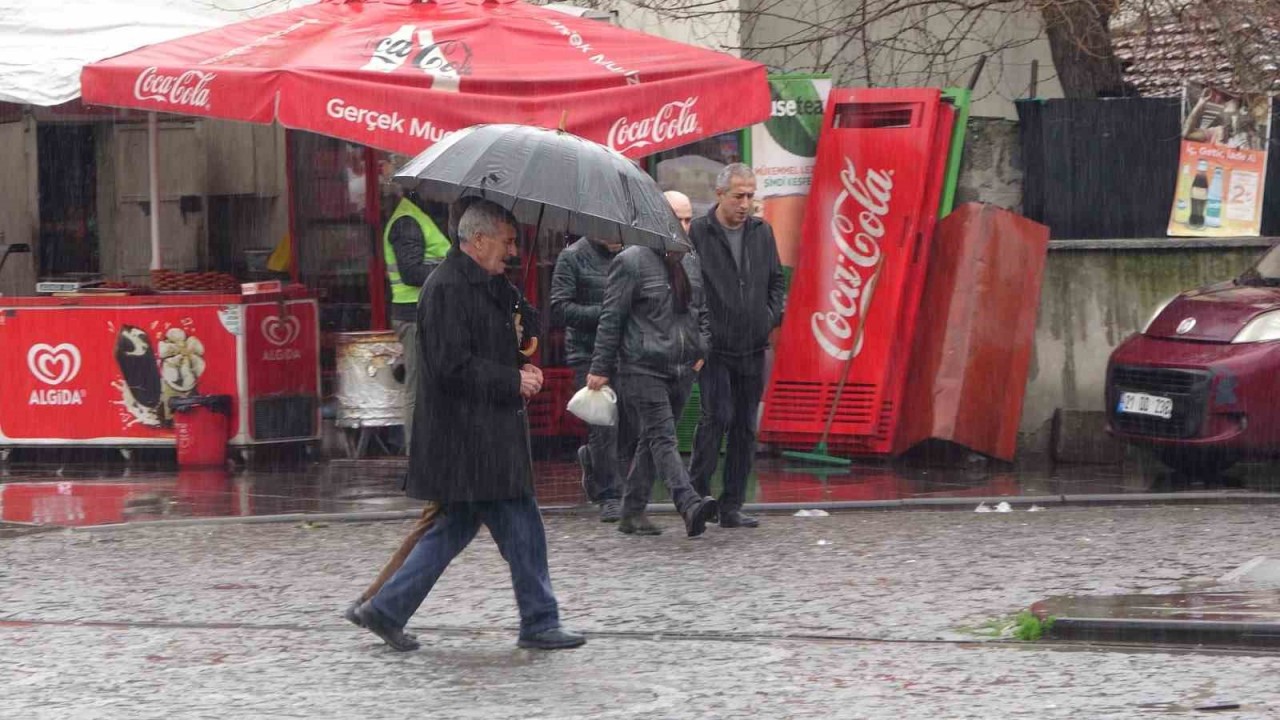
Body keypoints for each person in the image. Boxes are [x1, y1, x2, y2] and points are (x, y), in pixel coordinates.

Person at [351, 199, 585, 652]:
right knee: (521, 528)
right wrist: (510, 379)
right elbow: (450, 366)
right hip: (470, 440)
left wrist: (524, 355)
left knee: (456, 530)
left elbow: (517, 333)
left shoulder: (492, 283)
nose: (513, 251)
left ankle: (386, 609)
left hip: (488, 437)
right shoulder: (446, 288)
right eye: (508, 241)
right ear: (478, 240)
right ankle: (539, 621)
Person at [587, 243, 719, 537]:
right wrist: (600, 367)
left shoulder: (692, 262)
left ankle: (631, 512)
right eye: (678, 217)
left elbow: (703, 312)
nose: (683, 225)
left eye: (686, 219)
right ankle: (688, 502)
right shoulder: (631, 261)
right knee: (663, 437)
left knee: (651, 440)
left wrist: (702, 350)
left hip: (682, 367)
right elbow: (612, 317)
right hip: (642, 367)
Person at [687, 163, 786, 529]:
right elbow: (689, 288)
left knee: (745, 426)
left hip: (752, 345)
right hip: (715, 348)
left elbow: (777, 281)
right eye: (738, 196)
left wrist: (768, 316)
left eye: (750, 196)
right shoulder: (699, 232)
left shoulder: (762, 232)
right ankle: (695, 497)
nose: (746, 204)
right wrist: (703, 333)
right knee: (716, 419)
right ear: (720, 195)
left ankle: (732, 504)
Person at [551, 235, 624, 522]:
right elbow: (559, 308)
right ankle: (610, 494)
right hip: (587, 351)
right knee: (604, 423)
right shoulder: (572, 257)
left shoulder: (632, 255)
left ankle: (594, 460)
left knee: (630, 419)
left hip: (626, 350)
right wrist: (606, 314)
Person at [382, 188, 451, 452]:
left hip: (426, 312)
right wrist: (452, 270)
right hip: (414, 316)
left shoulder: (417, 217)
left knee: (428, 383)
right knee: (418, 385)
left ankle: (430, 449)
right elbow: (411, 273)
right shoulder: (408, 221)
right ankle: (418, 452)